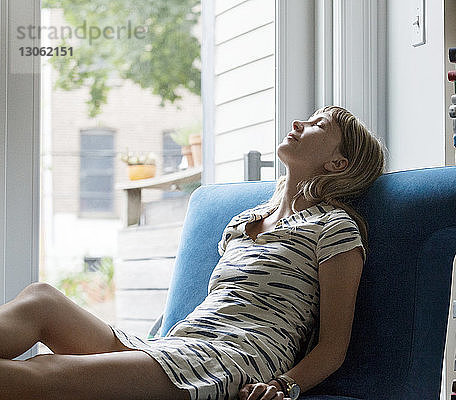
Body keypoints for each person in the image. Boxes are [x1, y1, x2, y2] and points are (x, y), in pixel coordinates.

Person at [0, 105, 385, 400]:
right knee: (41, 300)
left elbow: (333, 345)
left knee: (43, 373)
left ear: (338, 163)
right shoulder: (244, 221)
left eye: (319, 125)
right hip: (182, 345)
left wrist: (284, 387)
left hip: (235, 360)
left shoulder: (334, 228)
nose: (300, 123)